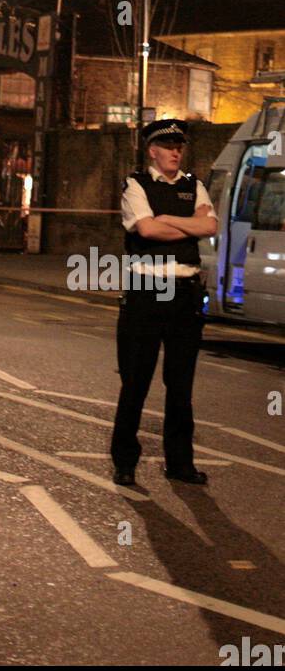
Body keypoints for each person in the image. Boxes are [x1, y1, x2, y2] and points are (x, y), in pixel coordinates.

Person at [110, 119, 217, 488]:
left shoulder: (195, 185)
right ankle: (125, 462)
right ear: (152, 150)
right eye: (168, 145)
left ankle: (180, 463)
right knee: (136, 381)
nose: (176, 152)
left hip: (185, 294)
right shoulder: (135, 185)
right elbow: (147, 230)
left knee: (181, 384)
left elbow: (210, 228)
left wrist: (169, 218)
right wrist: (188, 224)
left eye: (180, 146)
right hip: (147, 290)